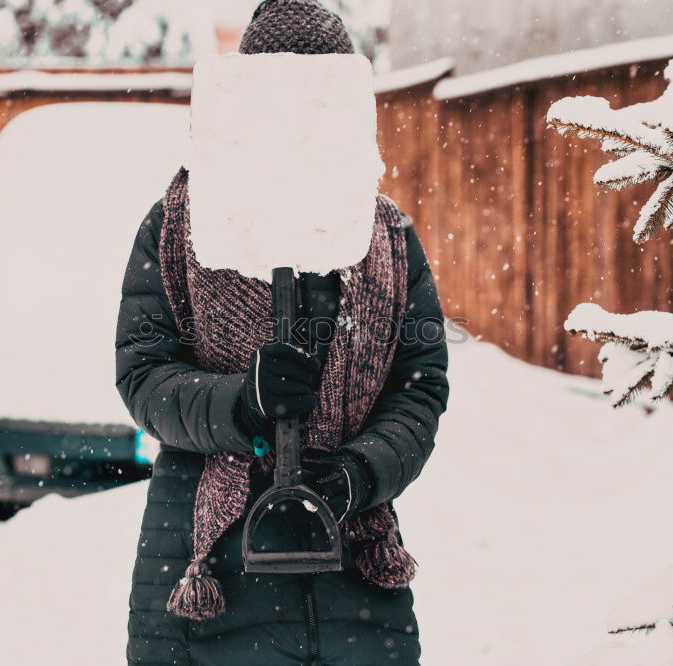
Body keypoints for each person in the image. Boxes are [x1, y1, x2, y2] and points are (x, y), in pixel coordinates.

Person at [115, 2, 449, 664]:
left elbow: (419, 387)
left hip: (356, 567)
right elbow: (144, 375)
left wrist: (357, 475)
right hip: (204, 567)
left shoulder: (385, 238)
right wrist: (239, 404)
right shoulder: (180, 228)